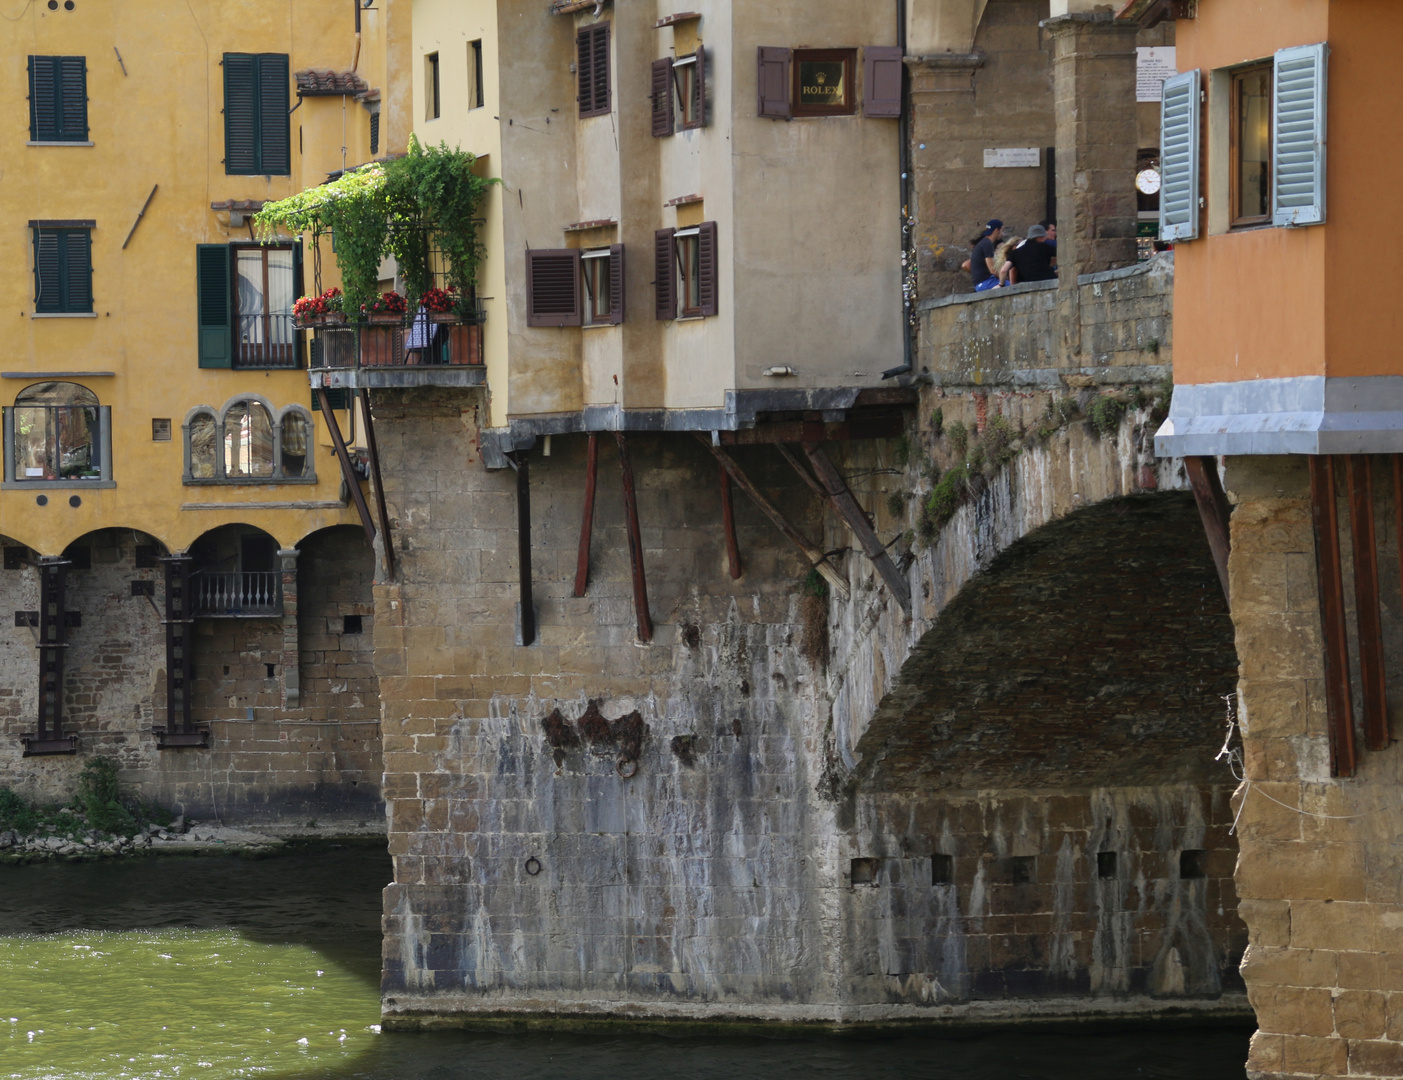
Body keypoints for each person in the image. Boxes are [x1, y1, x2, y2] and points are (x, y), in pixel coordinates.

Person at [969, 219, 1003, 291]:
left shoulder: (983, 242)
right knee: (1013, 286)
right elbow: (993, 270)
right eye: (1002, 230)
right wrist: (1003, 277)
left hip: (982, 283)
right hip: (986, 283)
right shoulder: (987, 244)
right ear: (997, 230)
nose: (1002, 233)